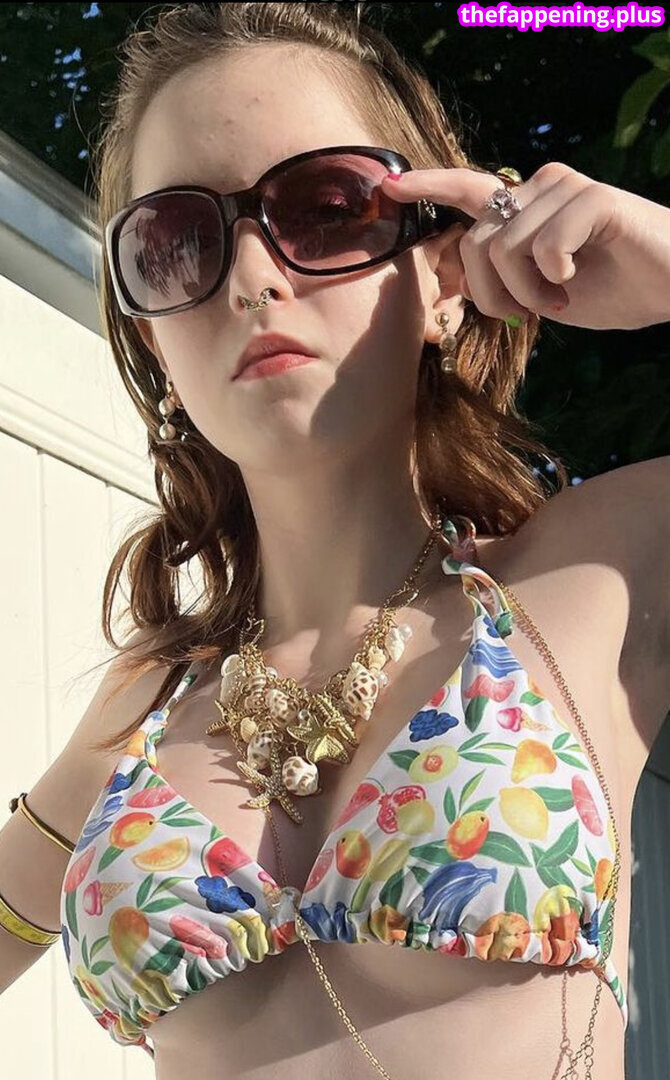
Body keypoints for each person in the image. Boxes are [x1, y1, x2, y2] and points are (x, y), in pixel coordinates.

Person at [3, 4, 670, 1079]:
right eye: (178, 242)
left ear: (442, 277)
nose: (252, 278)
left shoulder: (598, 575)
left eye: (323, 209)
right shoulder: (142, 710)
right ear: (153, 339)